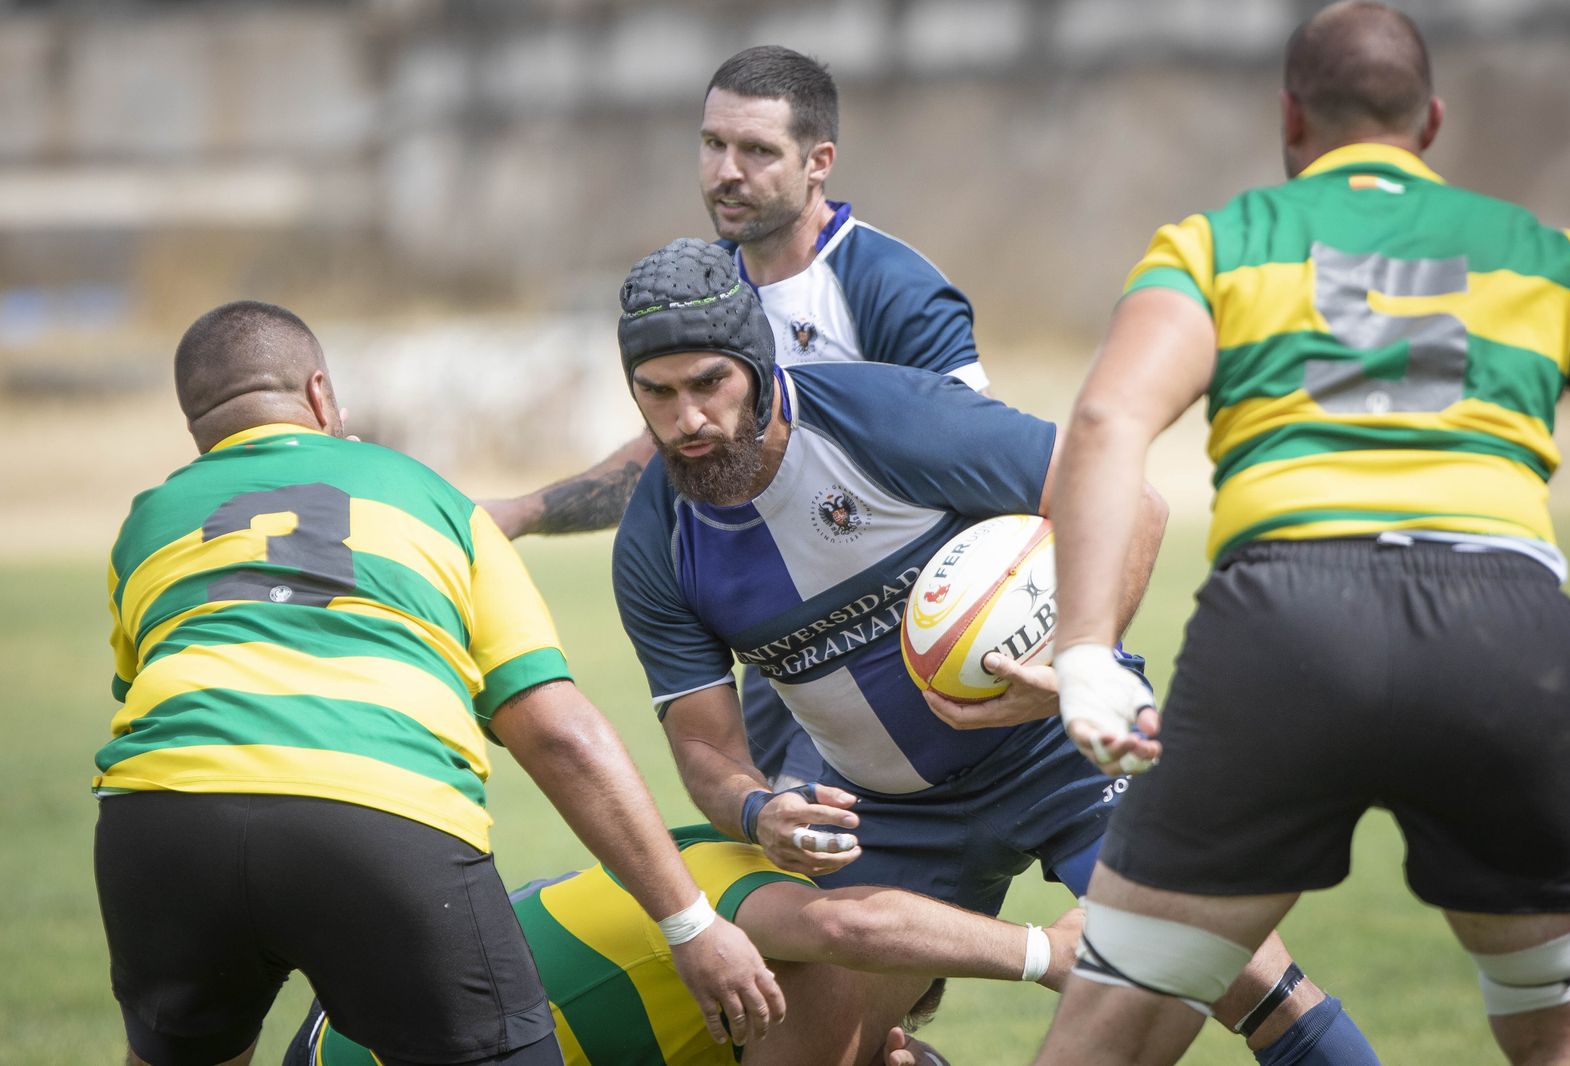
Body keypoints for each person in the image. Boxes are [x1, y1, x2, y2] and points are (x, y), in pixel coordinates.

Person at [609, 237, 1379, 1063]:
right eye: (657, 393)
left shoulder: (884, 416)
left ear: (756, 367)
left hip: (1059, 748)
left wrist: (1080, 669)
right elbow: (703, 746)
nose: (687, 419)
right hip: (885, 814)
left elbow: (1131, 503)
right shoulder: (656, 544)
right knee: (798, 1053)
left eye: (709, 384)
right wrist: (758, 810)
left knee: (1239, 974)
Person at [1039, 3, 1570, 1063]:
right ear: (1430, 120)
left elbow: (1110, 419)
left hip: (1283, 627)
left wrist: (1081, 653)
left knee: (1107, 1036)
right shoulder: (1550, 257)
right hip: (1503, 633)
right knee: (1564, 1028)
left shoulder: (1215, 244)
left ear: (1288, 118)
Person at [93, 301, 780, 1066]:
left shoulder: (148, 521)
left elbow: (149, 687)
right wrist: (689, 923)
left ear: (200, 428)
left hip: (159, 820)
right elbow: (555, 729)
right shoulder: (434, 500)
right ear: (321, 395)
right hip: (374, 814)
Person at [484, 44, 994, 788]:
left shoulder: (888, 286)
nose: (726, 171)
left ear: (819, 160)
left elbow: (979, 459)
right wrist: (521, 511)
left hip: (898, 629)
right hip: (780, 631)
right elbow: (678, 453)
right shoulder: (706, 288)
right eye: (712, 144)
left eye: (756, 150)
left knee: (867, 861)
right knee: (776, 839)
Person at [283, 822, 1085, 1066]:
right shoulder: (752, 901)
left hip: (339, 1024)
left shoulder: (702, 882)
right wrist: (1048, 953)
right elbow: (854, 929)